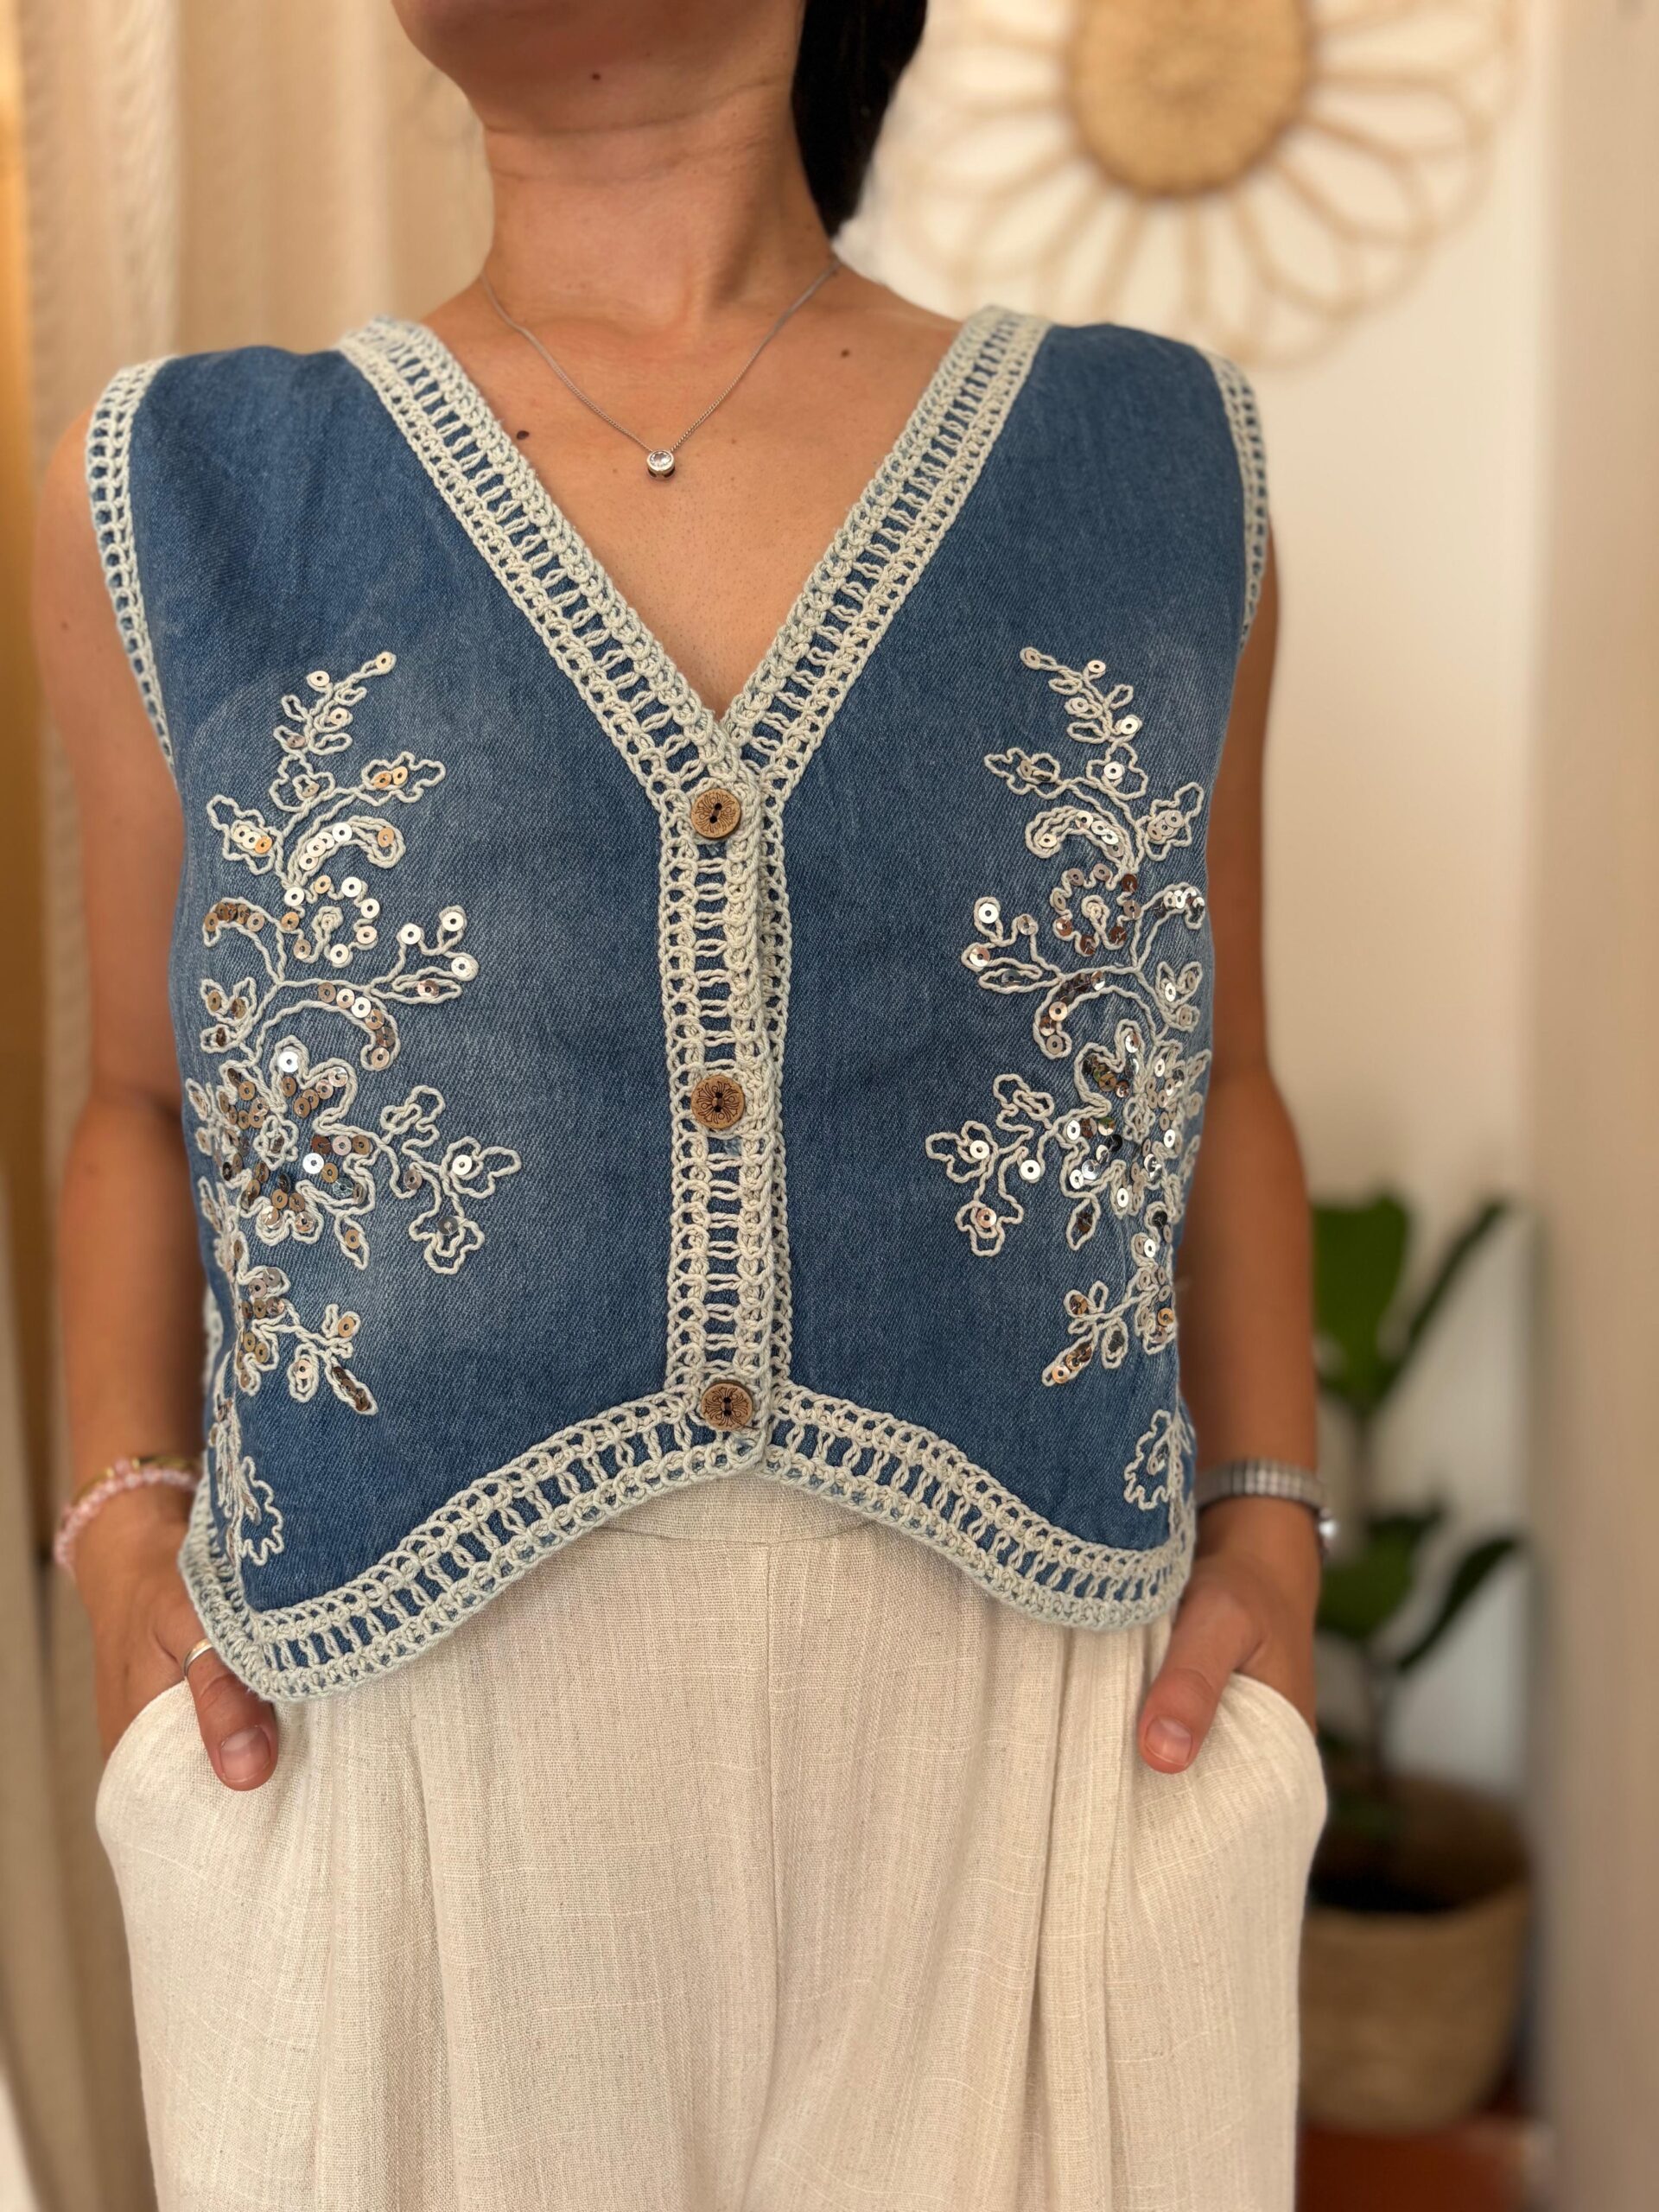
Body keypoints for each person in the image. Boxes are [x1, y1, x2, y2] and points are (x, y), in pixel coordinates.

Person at [31, 2, 1330, 2205]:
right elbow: (139, 1099)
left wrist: (1274, 1519)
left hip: (1038, 1772)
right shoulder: (182, 486)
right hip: (386, 1794)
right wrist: (115, 1530)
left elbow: (1231, 1074)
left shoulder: (1157, 463)